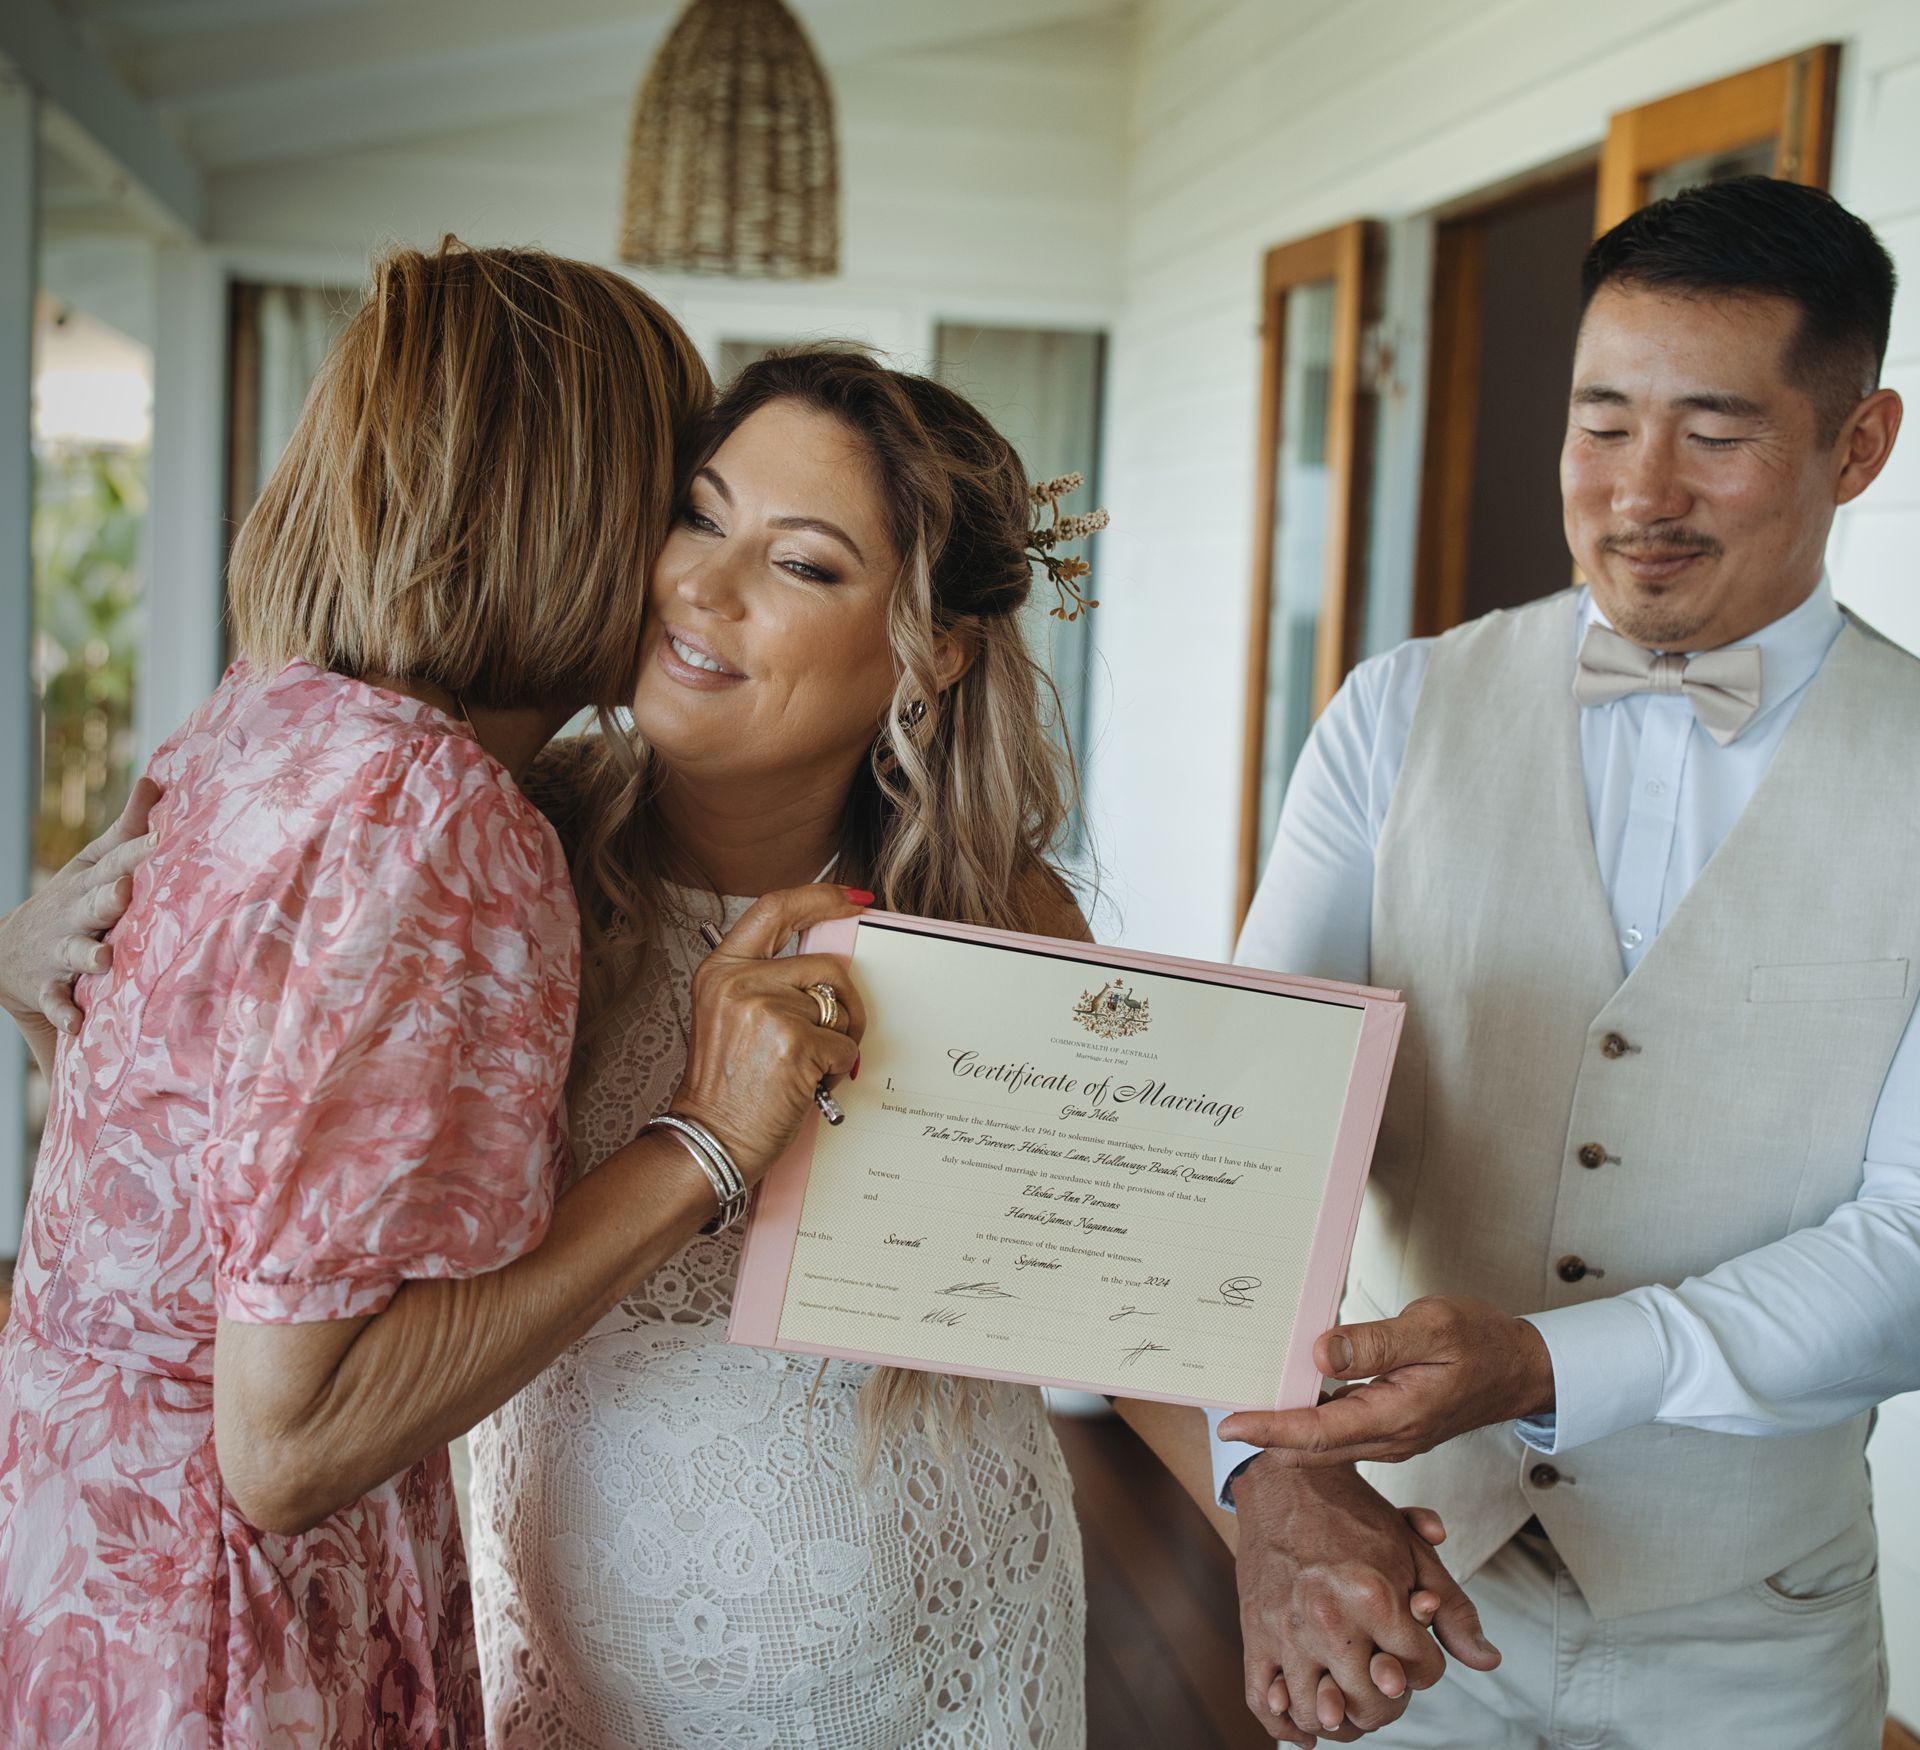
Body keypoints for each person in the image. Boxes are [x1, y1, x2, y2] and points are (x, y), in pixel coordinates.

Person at [0, 241, 867, 1748]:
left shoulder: (257, 724)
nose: (684, 571)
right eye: (676, 502)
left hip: (79, 1570)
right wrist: (705, 1142)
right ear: (577, 504)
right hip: (223, 1635)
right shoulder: (439, 817)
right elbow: (287, 1439)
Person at [1211, 176, 1915, 1747]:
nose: (1637, 491)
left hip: (1757, 1633)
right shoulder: (1395, 711)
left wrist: (1546, 1359)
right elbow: (1248, 1125)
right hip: (1403, 1577)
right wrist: (1278, 1477)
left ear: (1856, 444)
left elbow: (1917, 1240)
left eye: (1717, 434)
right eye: (1602, 421)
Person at [467, 348, 1097, 1749]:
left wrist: (1277, 1499)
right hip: (579, 1685)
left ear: (932, 646)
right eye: (700, 513)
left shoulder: (1000, 913)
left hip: (944, 1677)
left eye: (804, 565)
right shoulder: (501, 856)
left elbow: (1121, 1294)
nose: (703, 584)